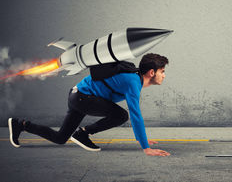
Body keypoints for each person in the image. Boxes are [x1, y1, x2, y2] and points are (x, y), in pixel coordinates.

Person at [8, 53, 170, 157]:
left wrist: (143, 140)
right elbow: (135, 115)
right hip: (82, 98)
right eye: (162, 71)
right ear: (151, 72)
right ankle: (82, 133)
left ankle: (20, 124)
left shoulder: (134, 77)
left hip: (78, 96)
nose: (164, 75)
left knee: (60, 138)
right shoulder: (133, 82)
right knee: (122, 115)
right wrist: (145, 147)